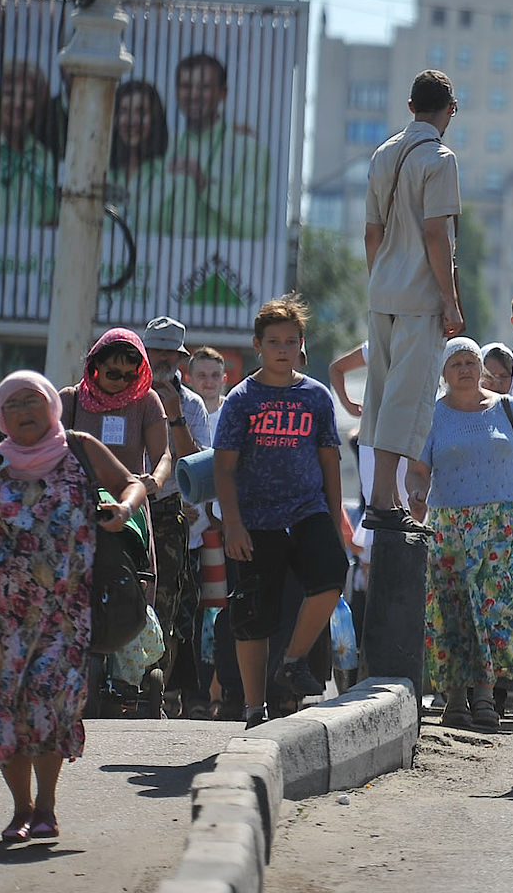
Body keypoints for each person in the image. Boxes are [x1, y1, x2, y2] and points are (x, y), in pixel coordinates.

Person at [0, 371, 146, 844]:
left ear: (51, 404)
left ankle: (45, 806)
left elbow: (132, 483)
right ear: (1, 417)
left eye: (33, 401)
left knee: (50, 706)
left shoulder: (79, 448)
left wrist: (123, 511)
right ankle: (20, 810)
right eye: (13, 405)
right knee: (5, 710)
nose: (25, 411)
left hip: (64, 613)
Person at [213, 295, 349, 728]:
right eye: (274, 341)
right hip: (255, 519)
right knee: (254, 614)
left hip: (307, 510)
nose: (283, 349)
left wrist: (334, 518)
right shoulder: (241, 399)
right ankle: (255, 709)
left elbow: (330, 461)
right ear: (258, 345)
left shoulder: (316, 396)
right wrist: (232, 524)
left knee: (331, 575)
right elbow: (224, 467)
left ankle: (292, 662)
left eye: (291, 341)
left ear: (301, 345)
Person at [415, 338, 513, 733]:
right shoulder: (431, 416)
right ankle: (454, 698)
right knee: (454, 607)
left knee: (492, 604)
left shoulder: (508, 408)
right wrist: (417, 493)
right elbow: (418, 470)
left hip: (506, 521)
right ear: (443, 373)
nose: (465, 369)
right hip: (450, 522)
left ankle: (484, 695)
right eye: (456, 363)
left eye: (471, 361)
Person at [361, 70, 463, 534]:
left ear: (409, 106)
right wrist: (450, 298)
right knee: (407, 396)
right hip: (420, 296)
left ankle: (382, 495)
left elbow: (372, 232)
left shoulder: (383, 153)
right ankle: (385, 498)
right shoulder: (440, 159)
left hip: (382, 291)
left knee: (381, 392)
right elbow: (436, 232)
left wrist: (381, 279)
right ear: (450, 110)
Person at [61, 329, 173, 715]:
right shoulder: (71, 401)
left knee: (134, 585)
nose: (122, 382)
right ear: (93, 368)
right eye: (113, 374)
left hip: (127, 508)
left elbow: (163, 456)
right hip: (77, 508)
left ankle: (128, 672)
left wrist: (154, 480)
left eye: (130, 374)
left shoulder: (147, 402)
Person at [140, 316, 213, 717]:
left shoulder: (192, 404)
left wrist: (174, 414)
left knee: (165, 601)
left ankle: (156, 687)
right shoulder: (125, 393)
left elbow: (198, 467)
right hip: (126, 507)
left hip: (168, 512)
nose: (164, 359)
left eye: (171, 352)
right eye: (157, 351)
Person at [164, 52, 273, 238]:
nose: (194, 95)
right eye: (186, 86)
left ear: (223, 93)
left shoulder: (251, 152)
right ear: (176, 91)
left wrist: (205, 186)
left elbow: (256, 227)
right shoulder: (164, 148)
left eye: (204, 87)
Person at [0, 59, 61, 227]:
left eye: (27, 96)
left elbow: (51, 220)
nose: (18, 104)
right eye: (9, 94)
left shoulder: (45, 156)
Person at [108, 79, 170, 236]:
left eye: (140, 112)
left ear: (154, 118)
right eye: (123, 112)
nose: (131, 121)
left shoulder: (172, 178)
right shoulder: (100, 175)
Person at [186, 346, 229, 445]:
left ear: (224, 379)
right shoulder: (179, 412)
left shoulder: (234, 413)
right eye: (202, 375)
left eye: (215, 375)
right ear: (188, 379)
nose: (209, 382)